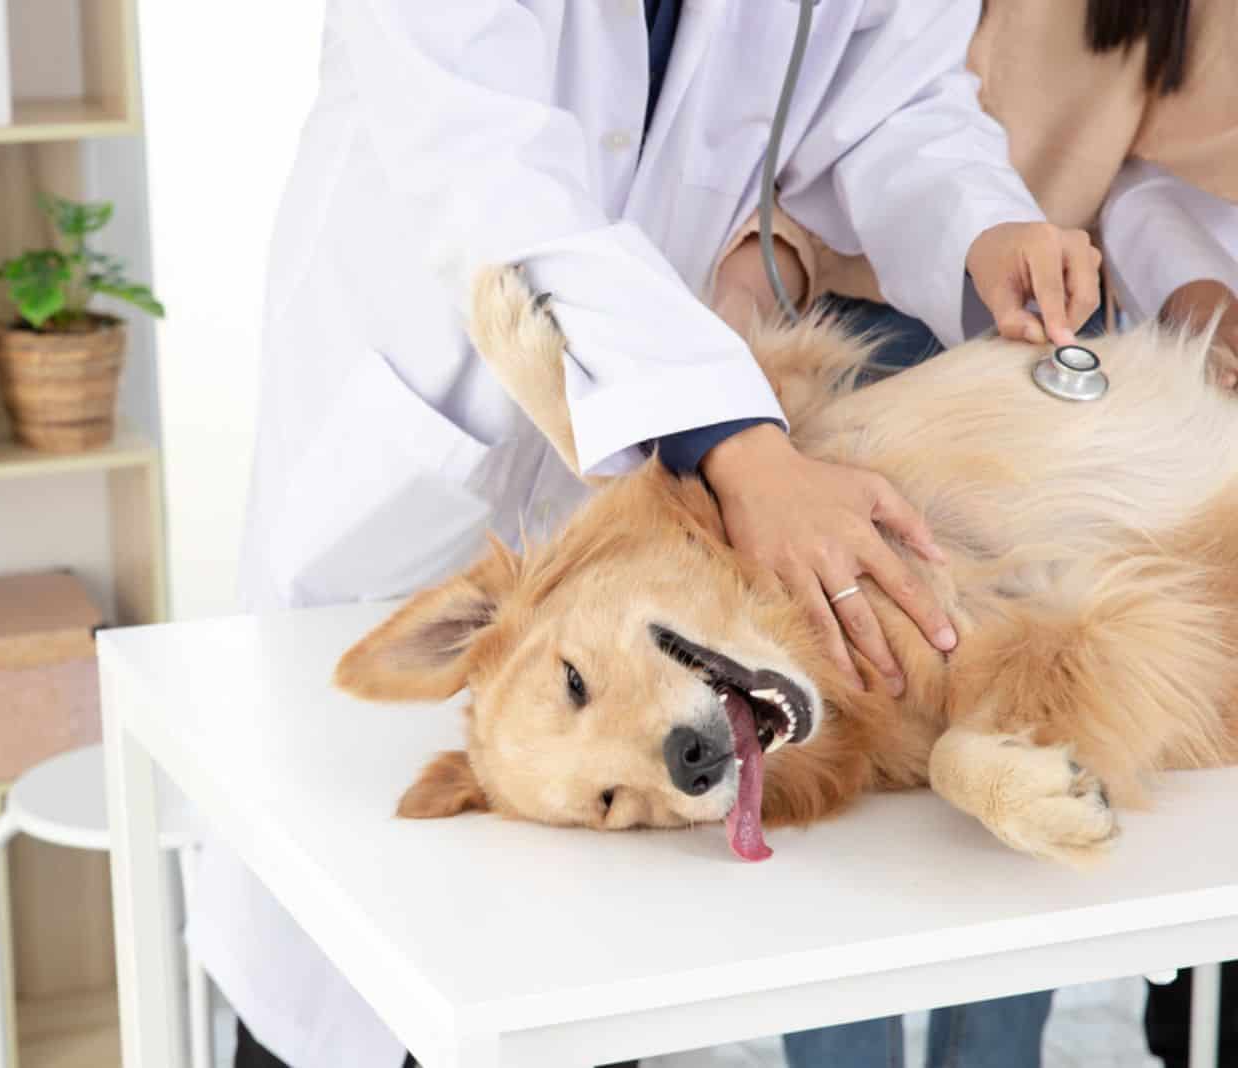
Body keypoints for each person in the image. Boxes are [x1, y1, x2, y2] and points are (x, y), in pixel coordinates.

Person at [206, 2, 1101, 1066]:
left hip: (648, 490)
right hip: (420, 458)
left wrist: (977, 225)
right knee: (363, 944)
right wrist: (742, 449)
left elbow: (888, 95)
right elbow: (494, 180)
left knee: (586, 984)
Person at [714, 2, 1237, 1066]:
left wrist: (1195, 294)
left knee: (1027, 751)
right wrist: (738, 357)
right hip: (840, 357)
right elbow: (793, 139)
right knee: (842, 763)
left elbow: (1169, 156)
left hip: (1030, 362)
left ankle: (994, 1054)